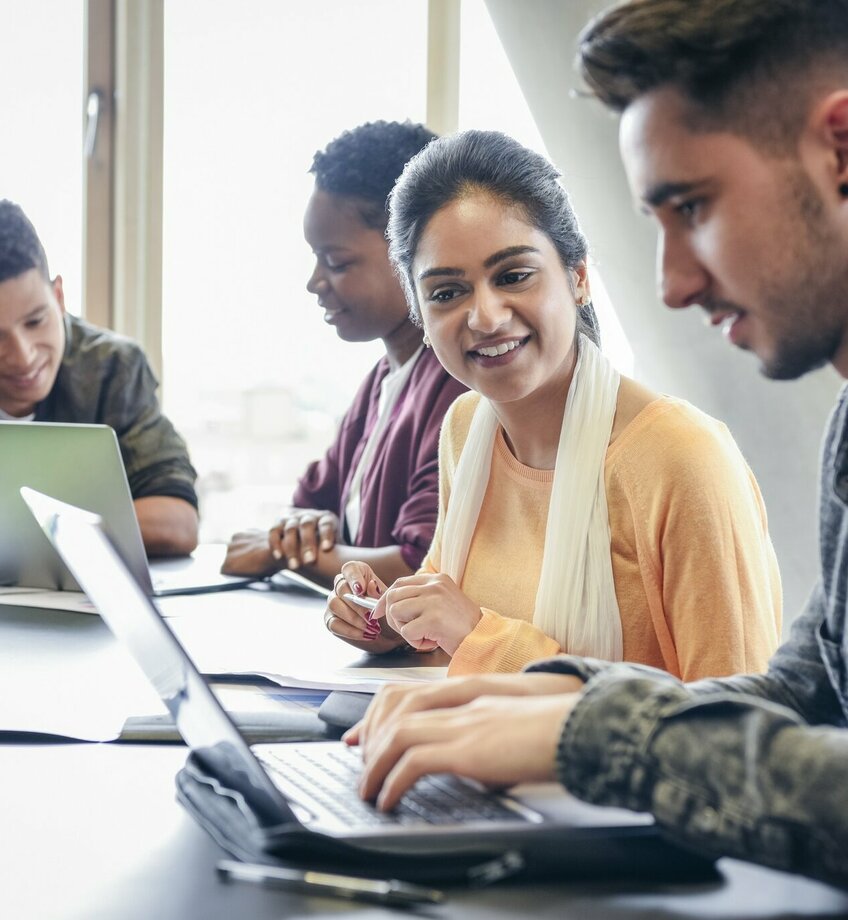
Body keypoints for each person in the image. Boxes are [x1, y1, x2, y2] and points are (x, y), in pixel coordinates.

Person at [343, 0, 848, 888]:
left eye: (693, 205)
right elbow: (802, 701)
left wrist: (581, 727)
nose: (672, 283)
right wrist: (532, 701)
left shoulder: (679, 453)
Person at [325, 128, 781, 680]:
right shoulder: (466, 429)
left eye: (514, 275)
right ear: (419, 313)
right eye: (447, 292)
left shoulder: (681, 458)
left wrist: (480, 635)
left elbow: (736, 726)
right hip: (476, 756)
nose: (486, 317)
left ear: (579, 278)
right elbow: (447, 635)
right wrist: (384, 620)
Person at [222, 121, 467, 587]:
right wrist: (300, 536)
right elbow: (308, 507)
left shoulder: (458, 386)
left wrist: (281, 552)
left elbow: (420, 566)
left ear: (411, 250)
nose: (315, 281)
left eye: (336, 262)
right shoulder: (381, 381)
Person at [0, 200, 198, 556]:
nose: (23, 355)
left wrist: (28, 528)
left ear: (58, 297)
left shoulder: (113, 368)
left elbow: (178, 521)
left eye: (35, 321)